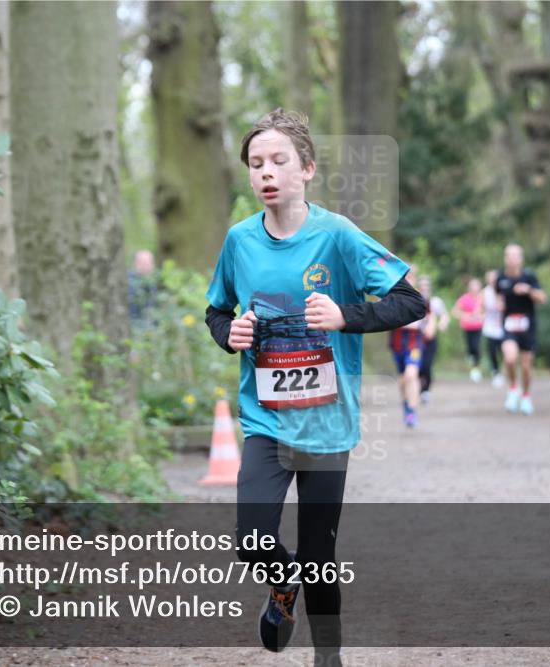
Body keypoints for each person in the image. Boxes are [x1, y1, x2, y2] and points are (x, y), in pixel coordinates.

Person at [204, 108, 424, 667]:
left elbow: (410, 301)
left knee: (320, 556)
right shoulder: (239, 241)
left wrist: (346, 316)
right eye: (255, 163)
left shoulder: (338, 235)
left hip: (326, 423)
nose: (265, 172)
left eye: (278, 160)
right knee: (253, 540)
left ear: (307, 169)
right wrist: (230, 333)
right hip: (266, 419)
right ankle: (283, 588)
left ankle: (329, 658)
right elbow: (216, 311)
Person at [496, 244, 547, 415]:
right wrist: (499, 304)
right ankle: (512, 388)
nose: (511, 259)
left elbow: (542, 298)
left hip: (527, 326)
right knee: (510, 358)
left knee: (526, 366)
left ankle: (526, 396)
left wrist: (528, 291)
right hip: (509, 325)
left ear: (521, 259)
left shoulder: (529, 277)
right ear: (505, 258)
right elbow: (498, 296)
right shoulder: (500, 278)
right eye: (508, 255)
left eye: (515, 255)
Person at [389, 269, 425, 425]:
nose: (409, 280)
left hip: (414, 342)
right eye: (406, 277)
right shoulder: (392, 296)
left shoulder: (420, 297)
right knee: (403, 379)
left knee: (412, 375)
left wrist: (431, 326)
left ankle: (412, 410)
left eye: (411, 277)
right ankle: (406, 403)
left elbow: (429, 316)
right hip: (397, 343)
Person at [417, 275, 449, 403]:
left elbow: (445, 315)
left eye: (426, 286)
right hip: (416, 339)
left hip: (431, 339)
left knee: (427, 365)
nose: (424, 288)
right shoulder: (414, 301)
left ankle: (426, 391)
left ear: (430, 288)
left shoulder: (436, 302)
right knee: (417, 366)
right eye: (422, 286)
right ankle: (419, 388)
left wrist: (442, 323)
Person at [452, 277, 485, 383]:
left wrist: (482, 316)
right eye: (472, 286)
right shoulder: (464, 298)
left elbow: (489, 312)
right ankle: (472, 362)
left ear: (479, 287)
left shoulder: (482, 298)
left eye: (476, 285)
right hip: (467, 327)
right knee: (470, 348)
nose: (474, 288)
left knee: (476, 347)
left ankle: (476, 369)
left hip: (479, 327)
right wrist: (465, 315)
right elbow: (455, 311)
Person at [482, 270, 506, 388]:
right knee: (492, 351)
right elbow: (483, 307)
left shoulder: (503, 290)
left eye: (494, 278)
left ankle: (504, 371)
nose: (492, 280)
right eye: (490, 278)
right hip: (490, 327)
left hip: (503, 326)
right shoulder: (485, 292)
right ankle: (496, 373)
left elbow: (504, 307)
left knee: (504, 351)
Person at [127, 249, 158, 330]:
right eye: (142, 263)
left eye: (148, 263)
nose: (145, 266)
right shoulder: (128, 282)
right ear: (135, 264)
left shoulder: (153, 284)